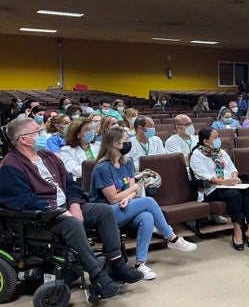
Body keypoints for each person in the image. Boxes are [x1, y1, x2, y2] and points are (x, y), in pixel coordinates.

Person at [0, 118, 143, 297]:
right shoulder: (10, 165)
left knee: (103, 211)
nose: (42, 134)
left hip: (66, 206)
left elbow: (71, 185)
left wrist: (74, 205)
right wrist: (58, 210)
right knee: (72, 224)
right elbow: (22, 199)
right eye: (37, 132)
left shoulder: (48, 156)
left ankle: (117, 264)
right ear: (23, 139)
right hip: (41, 217)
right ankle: (98, 276)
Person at [91, 127, 197, 279]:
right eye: (125, 141)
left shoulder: (127, 163)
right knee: (148, 201)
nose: (129, 143)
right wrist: (132, 189)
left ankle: (140, 263)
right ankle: (171, 237)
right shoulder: (102, 168)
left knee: (147, 216)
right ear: (114, 144)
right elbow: (113, 199)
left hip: (124, 206)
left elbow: (133, 190)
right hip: (105, 213)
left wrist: (129, 196)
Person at [189, 127, 249, 251]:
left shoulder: (220, 152)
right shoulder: (196, 155)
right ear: (205, 141)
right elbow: (205, 176)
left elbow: (232, 168)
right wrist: (224, 182)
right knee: (234, 194)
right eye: (215, 138)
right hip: (212, 189)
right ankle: (237, 229)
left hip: (229, 184)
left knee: (248, 191)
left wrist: (234, 177)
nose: (218, 140)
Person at [165, 115, 228, 225]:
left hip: (201, 168)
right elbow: (180, 161)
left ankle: (213, 211)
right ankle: (192, 214)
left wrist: (196, 159)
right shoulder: (172, 141)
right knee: (195, 179)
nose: (191, 126)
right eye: (187, 124)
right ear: (178, 127)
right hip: (182, 172)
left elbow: (209, 154)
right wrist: (196, 158)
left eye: (191, 123)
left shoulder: (195, 138)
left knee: (212, 175)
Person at [60, 117, 101, 182]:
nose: (91, 132)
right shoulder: (66, 151)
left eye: (92, 129)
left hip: (102, 179)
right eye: (87, 130)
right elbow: (78, 171)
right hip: (83, 183)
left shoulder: (99, 145)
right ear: (77, 134)